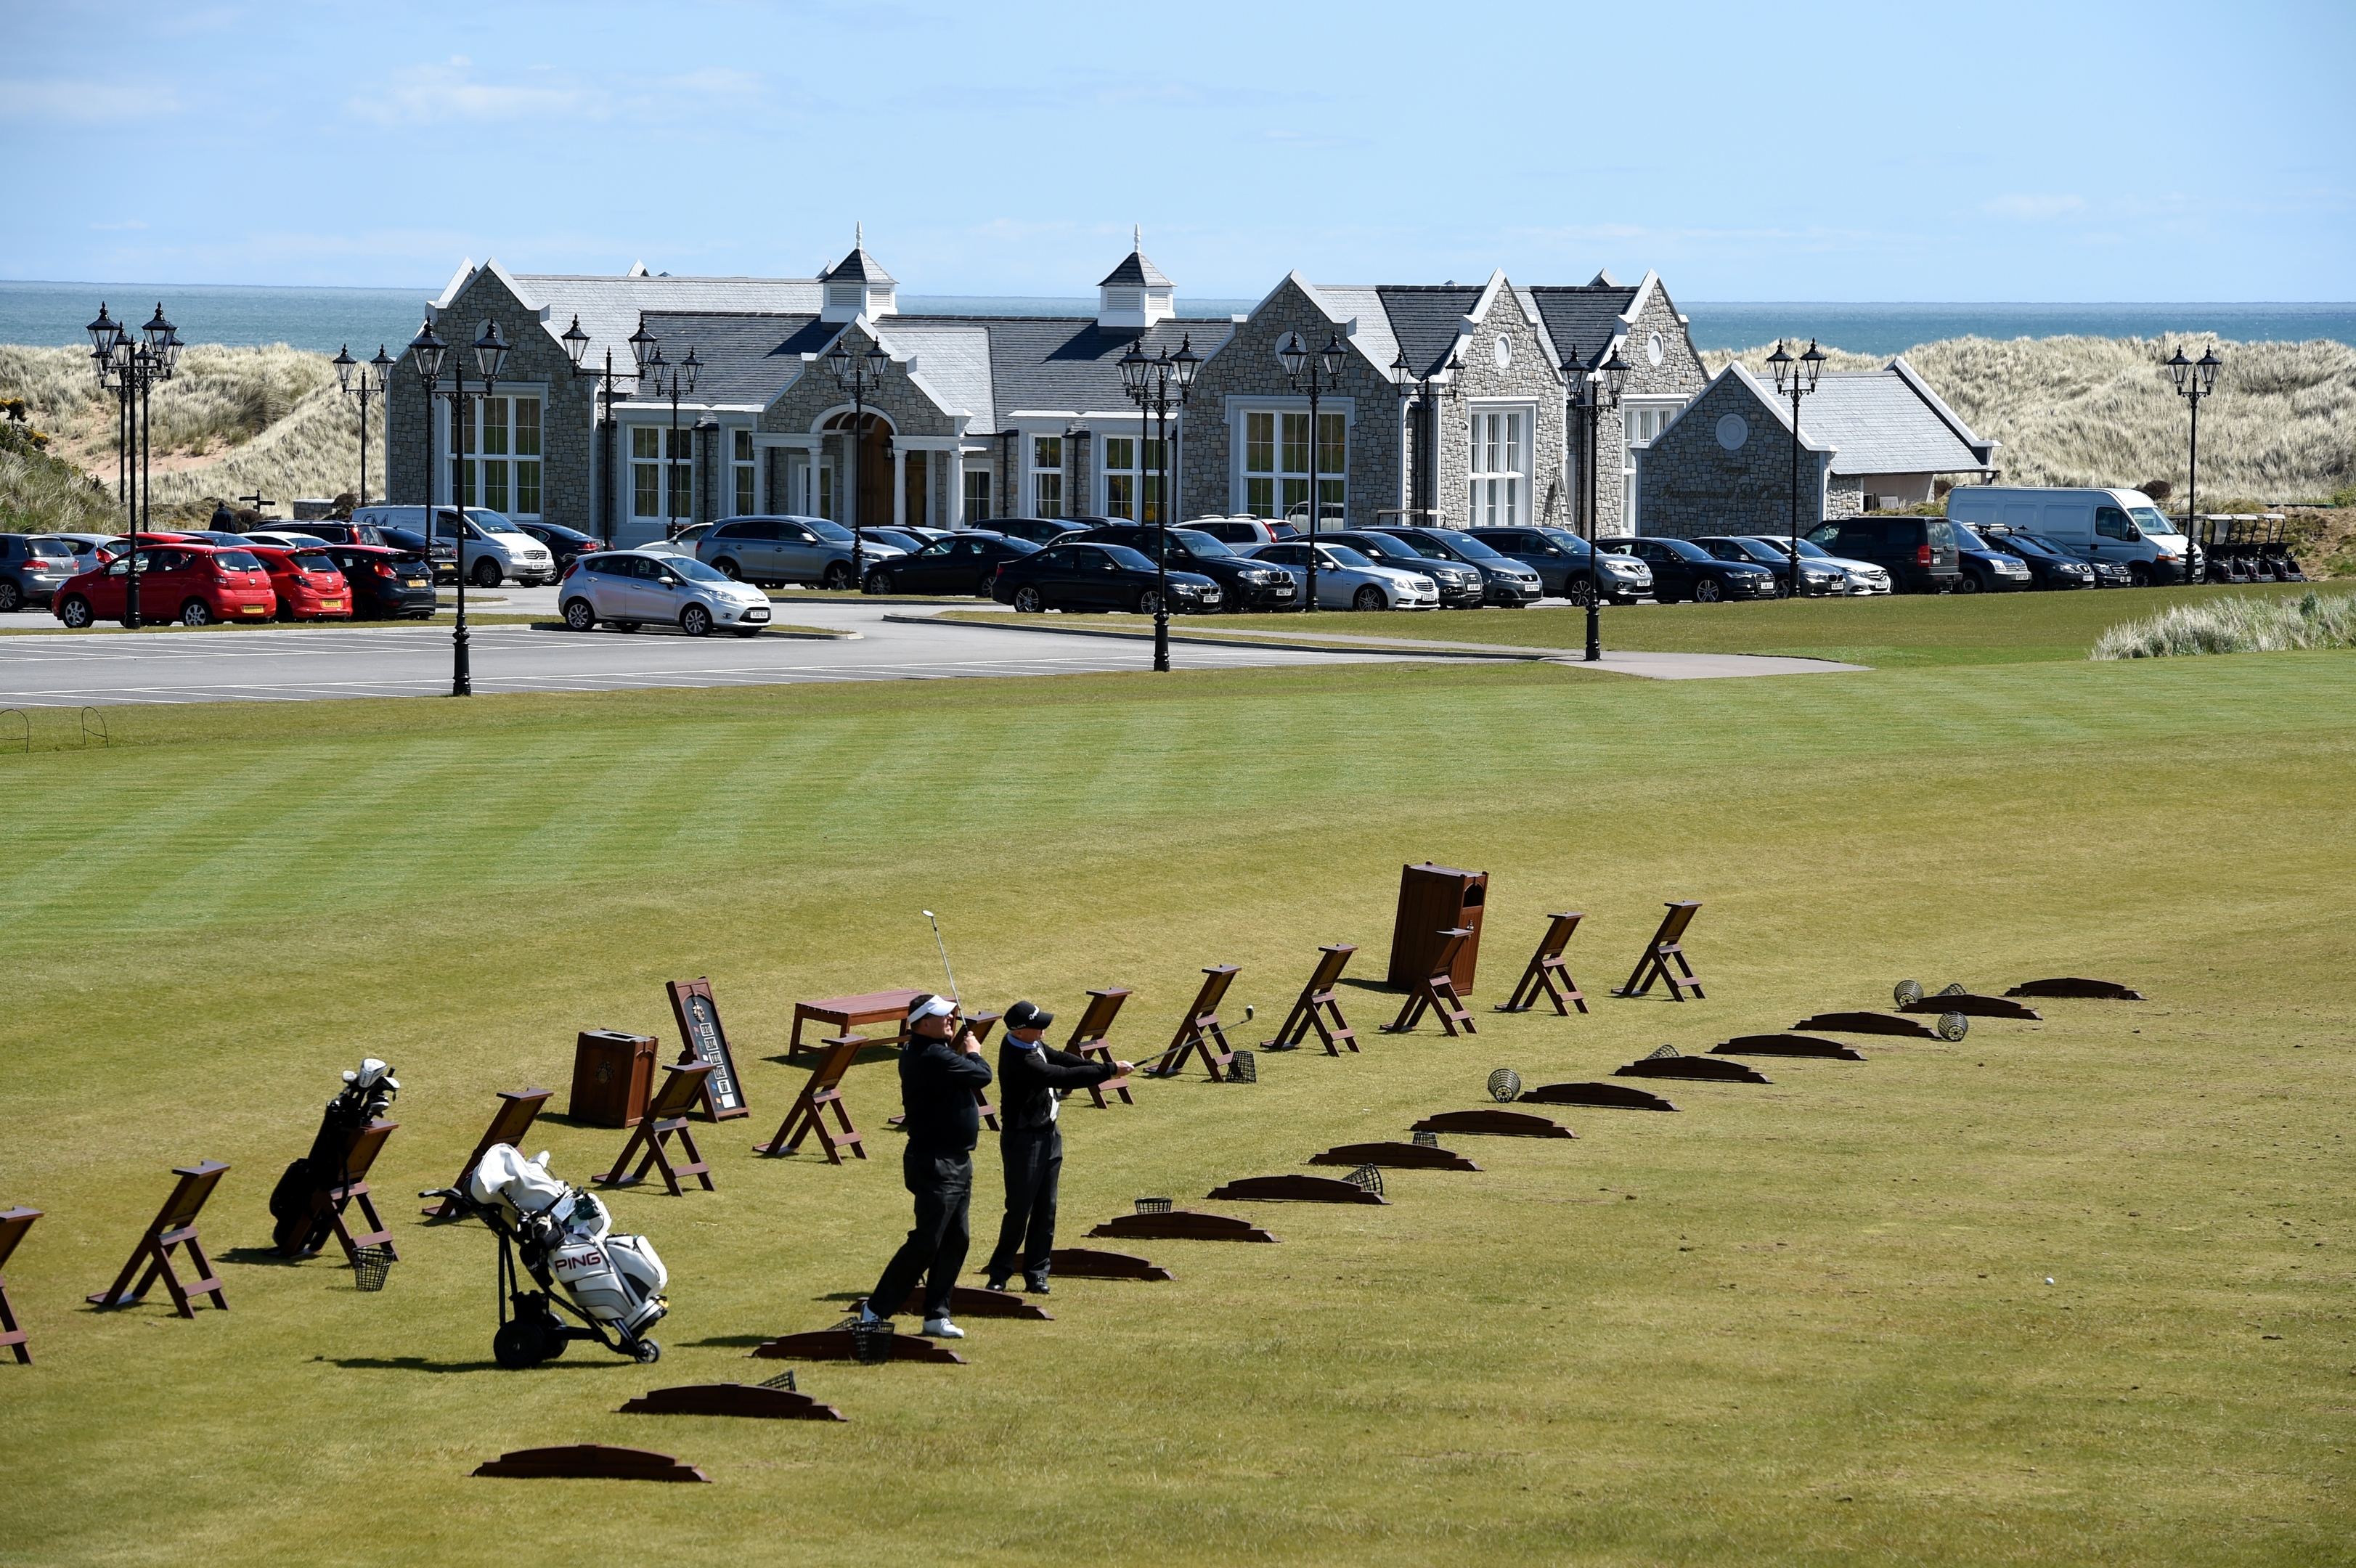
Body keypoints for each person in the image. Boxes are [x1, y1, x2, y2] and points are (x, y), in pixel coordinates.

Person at [860, 993, 992, 1339]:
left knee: (956, 1240)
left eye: (951, 1014)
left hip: (955, 1161)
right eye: (942, 1016)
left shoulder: (937, 1052)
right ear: (921, 1023)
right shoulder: (931, 1055)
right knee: (927, 1242)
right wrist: (974, 1052)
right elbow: (982, 1077)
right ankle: (875, 1310)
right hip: (936, 1163)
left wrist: (959, 1052)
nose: (951, 1019)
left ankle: (936, 1315)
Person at [984, 1000, 1130, 1294]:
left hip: (1049, 1136)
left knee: (1045, 1210)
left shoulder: (1030, 1044)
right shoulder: (1020, 1060)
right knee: (1019, 1210)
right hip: (1024, 1141)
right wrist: (1109, 1070)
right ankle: (999, 1274)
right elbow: (1059, 1076)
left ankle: (1037, 1275)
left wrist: (1098, 1066)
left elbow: (1060, 1058)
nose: (1043, 1032)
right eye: (1039, 1027)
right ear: (1020, 1031)